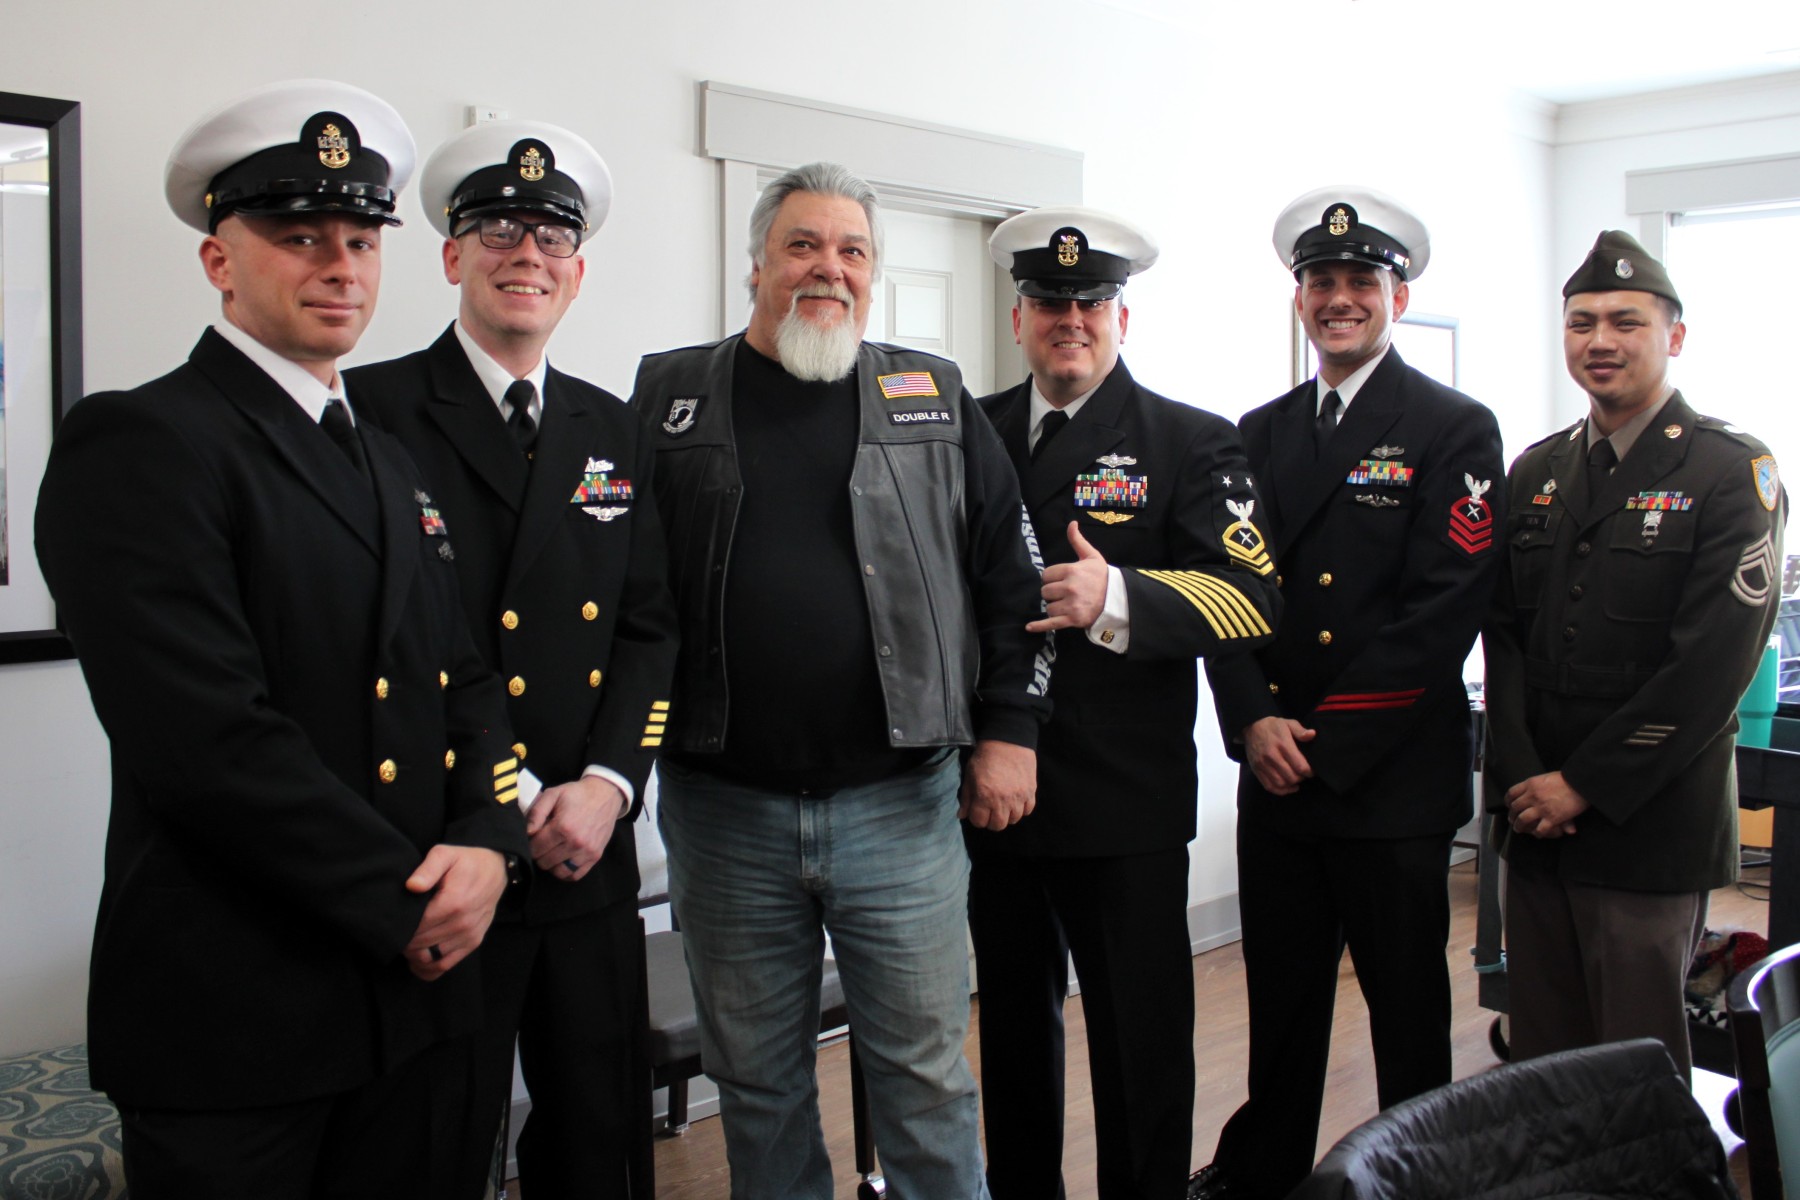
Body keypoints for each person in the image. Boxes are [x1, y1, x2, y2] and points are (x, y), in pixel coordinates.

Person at [33, 80, 528, 1199]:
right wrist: (413, 900)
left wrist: (492, 838)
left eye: (361, 239)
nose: (341, 267)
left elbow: (464, 678)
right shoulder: (143, 441)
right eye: (301, 238)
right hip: (241, 1010)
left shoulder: (387, 459)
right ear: (221, 260)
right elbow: (206, 741)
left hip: (414, 999)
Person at [628, 160, 1051, 1199]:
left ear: (873, 272)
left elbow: (1013, 578)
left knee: (924, 1080)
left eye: (852, 250)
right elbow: (624, 590)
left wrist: (1011, 730)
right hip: (725, 813)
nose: (829, 268)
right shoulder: (669, 396)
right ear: (757, 264)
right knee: (757, 1085)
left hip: (899, 810)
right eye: (803, 245)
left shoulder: (933, 398)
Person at [348, 120, 678, 1198]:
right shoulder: (372, 411)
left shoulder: (613, 428)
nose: (525, 253)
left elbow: (648, 628)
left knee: (597, 1141)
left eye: (551, 236)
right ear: (452, 256)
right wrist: (519, 794)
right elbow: (390, 641)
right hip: (450, 845)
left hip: (588, 848)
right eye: (497, 229)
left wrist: (610, 786)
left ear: (577, 273)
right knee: (437, 1143)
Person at [1192, 187, 1505, 1200]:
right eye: (1320, 281)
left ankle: (1421, 1180)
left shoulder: (1453, 427)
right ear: (1299, 299)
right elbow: (1224, 591)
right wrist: (1252, 719)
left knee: (1407, 1014)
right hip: (1277, 776)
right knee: (1281, 1010)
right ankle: (1265, 1176)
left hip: (1386, 779)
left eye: (1360, 281)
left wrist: (1319, 742)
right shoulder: (1257, 433)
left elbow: (1443, 610)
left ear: (1396, 298)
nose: (1339, 298)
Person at [968, 206, 1280, 1200]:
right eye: (1049, 302)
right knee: (1013, 1042)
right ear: (1018, 318)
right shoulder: (968, 430)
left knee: (1139, 1052)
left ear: (1121, 318)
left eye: (1091, 303)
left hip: (1123, 804)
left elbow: (1251, 598)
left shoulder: (1188, 440)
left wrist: (1121, 597)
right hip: (994, 792)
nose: (1071, 320)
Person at [1484, 230, 1785, 1079]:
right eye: (1582, 323)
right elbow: (1503, 637)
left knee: (1636, 1069)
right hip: (1536, 824)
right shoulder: (1536, 471)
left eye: (1626, 322)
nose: (1601, 341)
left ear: (1674, 336)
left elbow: (1710, 670)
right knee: (1541, 1067)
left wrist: (1582, 783)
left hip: (1648, 824)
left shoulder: (1731, 471)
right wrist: (1523, 778)